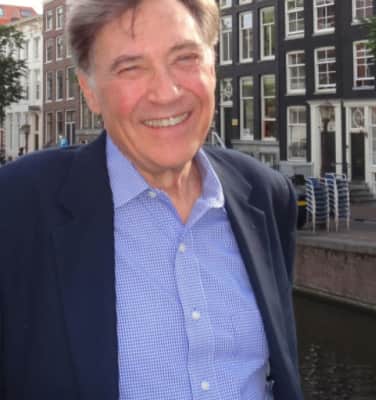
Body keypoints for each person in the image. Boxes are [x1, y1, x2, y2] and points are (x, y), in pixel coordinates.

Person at [0, 0, 304, 399]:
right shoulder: (16, 208)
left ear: (212, 66)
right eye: (131, 68)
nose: (167, 92)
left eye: (185, 58)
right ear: (90, 91)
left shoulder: (265, 195)